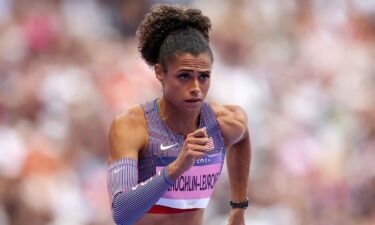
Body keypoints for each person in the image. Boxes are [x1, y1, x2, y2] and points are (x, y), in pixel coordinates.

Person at [107, 4, 251, 225]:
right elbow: (121, 214)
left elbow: (243, 137)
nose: (195, 87)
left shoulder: (222, 122)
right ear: (160, 73)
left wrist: (238, 208)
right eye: (184, 76)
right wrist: (176, 167)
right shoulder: (133, 127)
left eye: (203, 77)